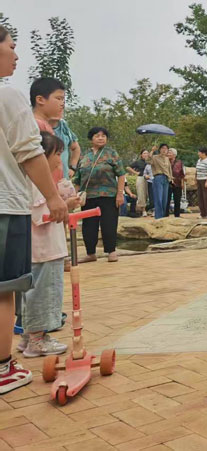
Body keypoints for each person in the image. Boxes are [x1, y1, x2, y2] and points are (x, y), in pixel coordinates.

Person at [0, 25, 68, 394]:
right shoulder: (8, 97)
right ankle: (3, 367)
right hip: (6, 206)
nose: (16, 54)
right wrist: (53, 197)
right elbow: (29, 152)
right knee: (4, 290)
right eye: (11, 46)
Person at [21, 133, 77, 358]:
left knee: (34, 293)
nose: (59, 159)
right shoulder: (37, 184)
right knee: (44, 293)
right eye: (57, 154)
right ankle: (38, 339)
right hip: (44, 250)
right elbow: (40, 215)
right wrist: (65, 205)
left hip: (43, 249)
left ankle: (29, 336)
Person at [73, 127, 126, 262]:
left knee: (109, 224)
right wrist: (75, 196)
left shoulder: (111, 153)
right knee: (88, 226)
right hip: (89, 197)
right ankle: (90, 253)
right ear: (91, 139)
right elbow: (78, 178)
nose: (101, 138)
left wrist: (120, 194)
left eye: (103, 136)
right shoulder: (84, 156)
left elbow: (121, 174)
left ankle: (111, 251)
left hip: (108, 195)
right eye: (97, 136)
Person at [149, 143, 172, 221]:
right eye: (163, 148)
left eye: (166, 148)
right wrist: (152, 151)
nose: (164, 150)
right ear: (160, 149)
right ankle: (158, 217)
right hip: (158, 177)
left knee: (164, 199)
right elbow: (148, 160)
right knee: (158, 198)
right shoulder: (155, 157)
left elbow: (169, 169)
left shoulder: (167, 159)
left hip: (166, 179)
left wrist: (171, 178)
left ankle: (163, 217)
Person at [127, 150, 151, 217]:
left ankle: (148, 209)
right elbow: (128, 167)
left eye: (147, 153)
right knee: (141, 194)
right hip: (141, 178)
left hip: (150, 179)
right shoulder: (138, 162)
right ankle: (143, 210)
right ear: (141, 155)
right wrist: (135, 173)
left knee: (148, 194)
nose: (146, 154)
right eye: (144, 153)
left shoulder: (150, 161)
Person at [194, 148, 207, 219]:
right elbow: (197, 170)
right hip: (199, 179)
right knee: (200, 197)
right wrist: (195, 178)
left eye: (199, 152)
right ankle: (203, 213)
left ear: (203, 153)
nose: (198, 154)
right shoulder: (199, 160)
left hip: (205, 179)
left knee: (206, 197)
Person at [166, 148, 184, 218]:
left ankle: (177, 215)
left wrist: (182, 183)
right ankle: (166, 214)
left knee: (177, 199)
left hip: (177, 182)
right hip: (167, 182)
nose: (168, 154)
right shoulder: (165, 161)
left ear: (174, 154)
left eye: (170, 152)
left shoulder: (179, 162)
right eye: (168, 152)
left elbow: (182, 173)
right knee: (167, 199)